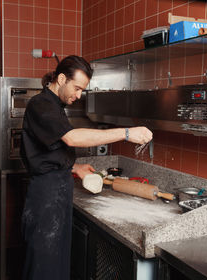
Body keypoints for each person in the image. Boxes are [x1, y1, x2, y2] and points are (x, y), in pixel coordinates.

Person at [20, 55, 152, 280]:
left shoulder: (55, 105)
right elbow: (71, 138)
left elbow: (49, 151)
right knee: (44, 268)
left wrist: (74, 168)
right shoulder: (41, 104)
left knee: (56, 264)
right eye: (77, 88)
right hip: (45, 197)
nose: (79, 95)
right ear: (61, 78)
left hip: (57, 192)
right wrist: (127, 133)